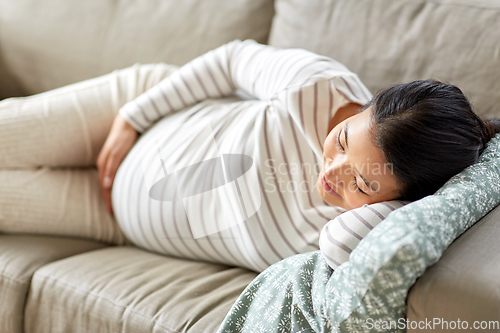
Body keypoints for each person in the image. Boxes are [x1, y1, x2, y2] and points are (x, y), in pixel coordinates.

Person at [1, 39, 498, 273]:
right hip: (122, 120)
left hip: (109, 218)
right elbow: (231, 60)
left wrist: (390, 208)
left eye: (363, 184)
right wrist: (132, 116)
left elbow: (344, 251)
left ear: (400, 202)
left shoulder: (354, 230)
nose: (332, 172)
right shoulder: (318, 89)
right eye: (343, 140)